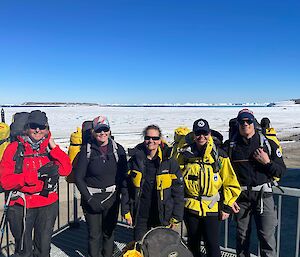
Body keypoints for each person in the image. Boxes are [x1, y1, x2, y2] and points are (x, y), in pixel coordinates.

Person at [0, 110, 72, 257]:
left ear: (47, 129)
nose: (37, 130)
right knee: (24, 250)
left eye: (42, 126)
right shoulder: (13, 148)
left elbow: (66, 169)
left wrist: (54, 147)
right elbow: (5, 181)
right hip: (22, 205)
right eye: (34, 125)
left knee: (43, 249)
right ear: (27, 127)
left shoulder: (49, 149)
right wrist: (34, 176)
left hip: (47, 204)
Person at [177, 118, 241, 257]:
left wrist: (226, 206)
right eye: (198, 133)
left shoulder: (219, 156)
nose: (201, 137)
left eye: (204, 133)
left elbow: (231, 183)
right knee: (193, 245)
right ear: (194, 134)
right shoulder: (185, 156)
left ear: (210, 133)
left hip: (212, 208)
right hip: (190, 208)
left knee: (212, 246)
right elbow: (176, 180)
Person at [230, 109, 286, 257]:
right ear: (238, 124)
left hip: (263, 196)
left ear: (253, 123)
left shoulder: (268, 144)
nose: (245, 124)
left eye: (248, 121)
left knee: (267, 238)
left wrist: (267, 163)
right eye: (242, 121)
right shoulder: (231, 145)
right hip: (241, 198)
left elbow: (280, 171)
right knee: (241, 239)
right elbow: (225, 175)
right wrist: (229, 198)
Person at [74, 115, 128, 257]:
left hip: (111, 198)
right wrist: (90, 200)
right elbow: (79, 178)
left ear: (110, 131)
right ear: (93, 132)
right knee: (94, 235)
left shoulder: (118, 149)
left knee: (108, 233)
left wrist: (121, 199)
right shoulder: (87, 150)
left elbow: (123, 177)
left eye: (105, 129)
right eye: (99, 130)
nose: (102, 133)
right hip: (92, 198)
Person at [122, 124, 184, 241]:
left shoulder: (169, 161)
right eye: (148, 138)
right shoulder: (135, 160)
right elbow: (126, 187)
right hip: (141, 214)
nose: (151, 141)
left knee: (160, 247)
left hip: (162, 215)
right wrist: (126, 211)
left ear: (160, 140)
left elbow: (178, 192)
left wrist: (176, 216)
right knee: (140, 245)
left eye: (155, 138)